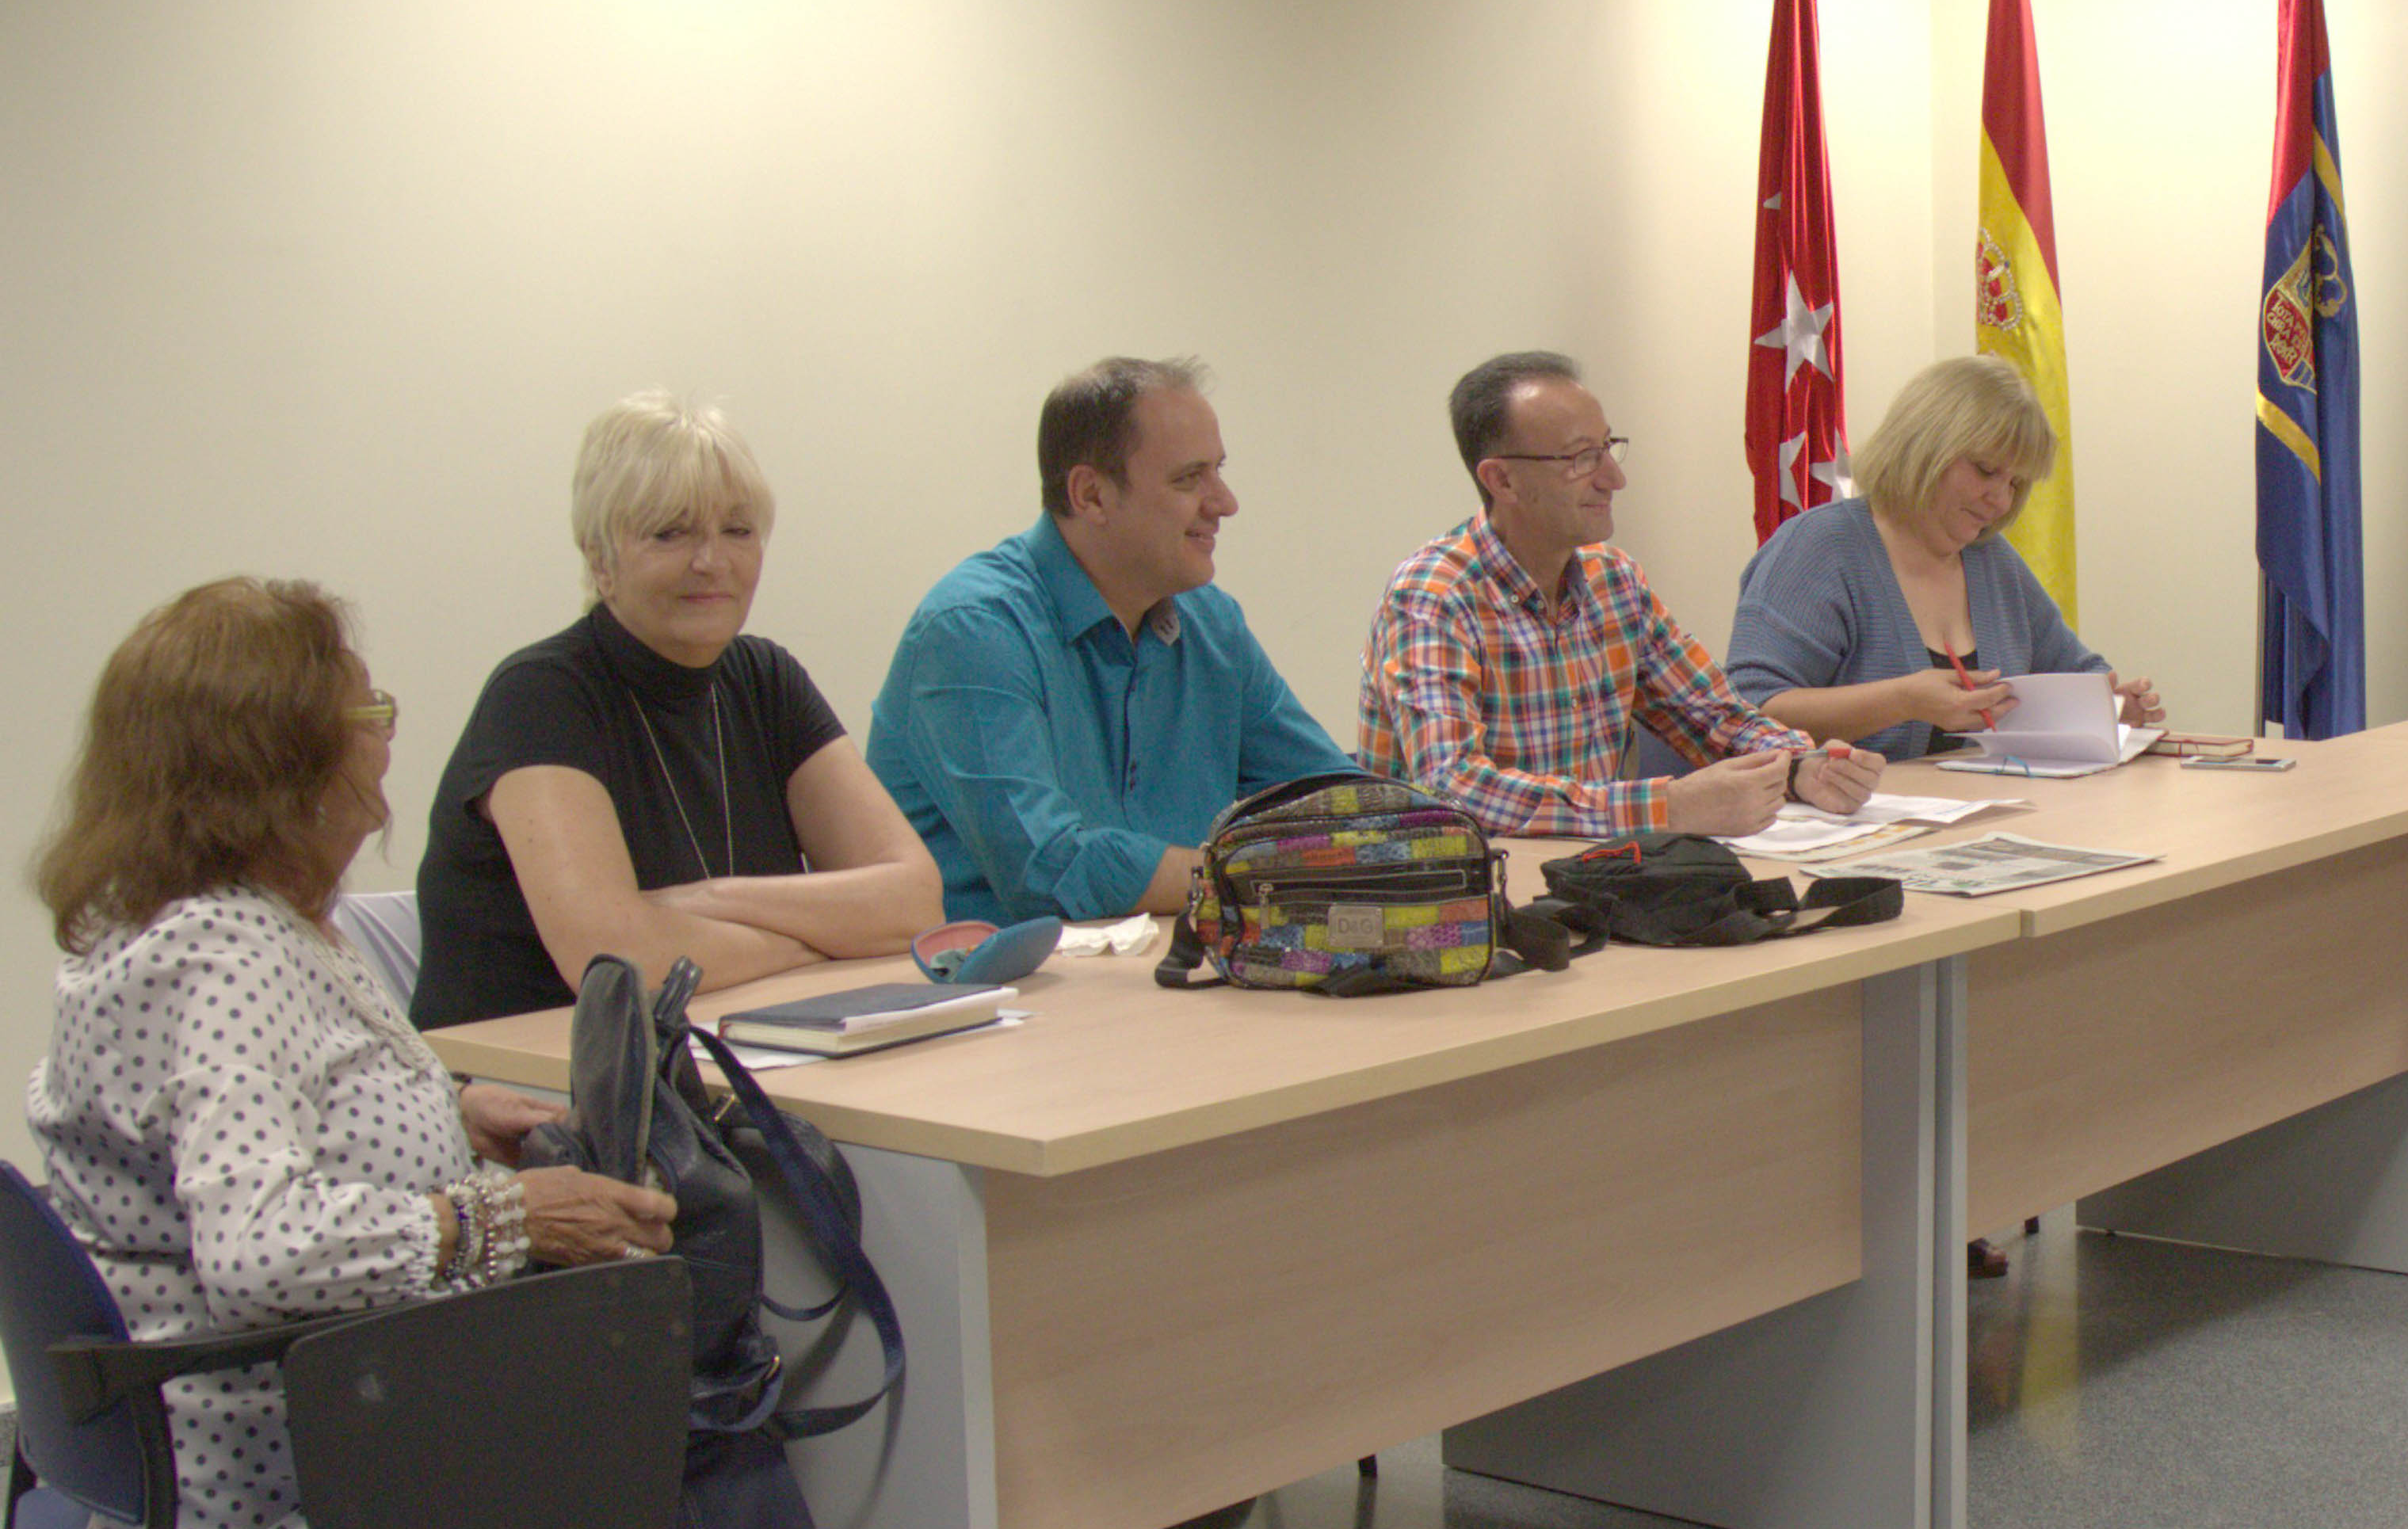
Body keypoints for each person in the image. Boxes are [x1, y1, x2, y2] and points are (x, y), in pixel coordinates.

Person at [27, 580, 971, 1529]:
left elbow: (263, 1143)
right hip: (282, 1456)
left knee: (642, 1351)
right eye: (363, 707)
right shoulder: (229, 959)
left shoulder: (183, 930)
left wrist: (450, 1118)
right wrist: (506, 1215)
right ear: (280, 758)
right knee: (698, 1399)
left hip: (192, 1431)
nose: (385, 739)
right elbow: (263, 1243)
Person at [410, 394, 941, 1030]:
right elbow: (617, 961)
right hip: (534, 1073)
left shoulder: (766, 680)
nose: (712, 562)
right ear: (599, 559)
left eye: (738, 531)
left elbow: (914, 902)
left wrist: (709, 900)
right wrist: (818, 941)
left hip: (730, 1052)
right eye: (670, 533)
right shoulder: (539, 695)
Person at [865, 355, 1355, 926]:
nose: (1225, 503)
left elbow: (1339, 805)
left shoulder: (1212, 624)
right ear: (1091, 495)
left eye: (1219, 470)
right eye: (1189, 478)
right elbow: (1049, 871)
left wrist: (1418, 843)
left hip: (1170, 963)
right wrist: (1250, 875)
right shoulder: (973, 629)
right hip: (1005, 976)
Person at [1363, 350, 1885, 837]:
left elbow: (1713, 716)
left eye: (1608, 448)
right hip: (1458, 891)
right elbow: (1452, 788)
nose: (1614, 478)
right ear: (1503, 480)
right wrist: (1667, 807)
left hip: (1590, 877)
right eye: (1581, 459)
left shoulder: (1613, 580)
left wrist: (1801, 766)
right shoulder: (1433, 597)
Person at [1728, 357, 2161, 761]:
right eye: (1986, 471)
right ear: (1924, 446)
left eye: (2016, 483)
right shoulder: (1818, 548)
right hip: (1845, 813)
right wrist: (1903, 701)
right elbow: (1749, 711)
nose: (2001, 500)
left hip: (1986, 808)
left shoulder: (1992, 561)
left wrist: (2113, 703)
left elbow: (2079, 672)